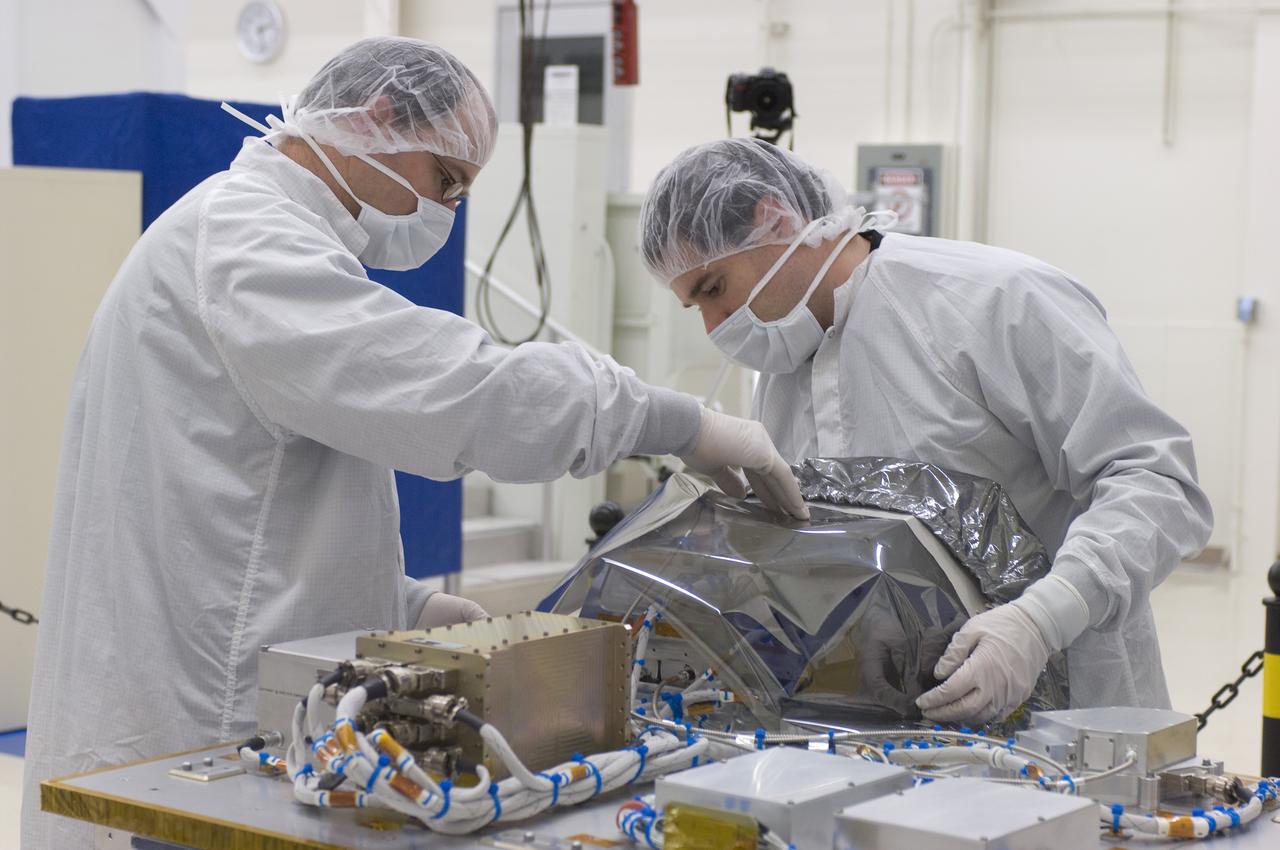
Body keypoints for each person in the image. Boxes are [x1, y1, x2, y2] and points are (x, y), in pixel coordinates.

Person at [22, 40, 806, 850]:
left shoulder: (255, 236)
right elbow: (459, 394)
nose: (445, 211)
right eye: (446, 179)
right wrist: (676, 423)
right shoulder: (245, 242)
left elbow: (240, 503)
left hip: (213, 699)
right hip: (194, 730)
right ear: (378, 119)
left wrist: (402, 605)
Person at [638, 137, 1213, 725]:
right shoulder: (783, 366)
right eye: (695, 307)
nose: (714, 325)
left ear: (776, 220)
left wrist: (1041, 619)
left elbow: (1157, 482)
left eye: (714, 289)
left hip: (1074, 724)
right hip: (895, 731)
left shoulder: (993, 300)